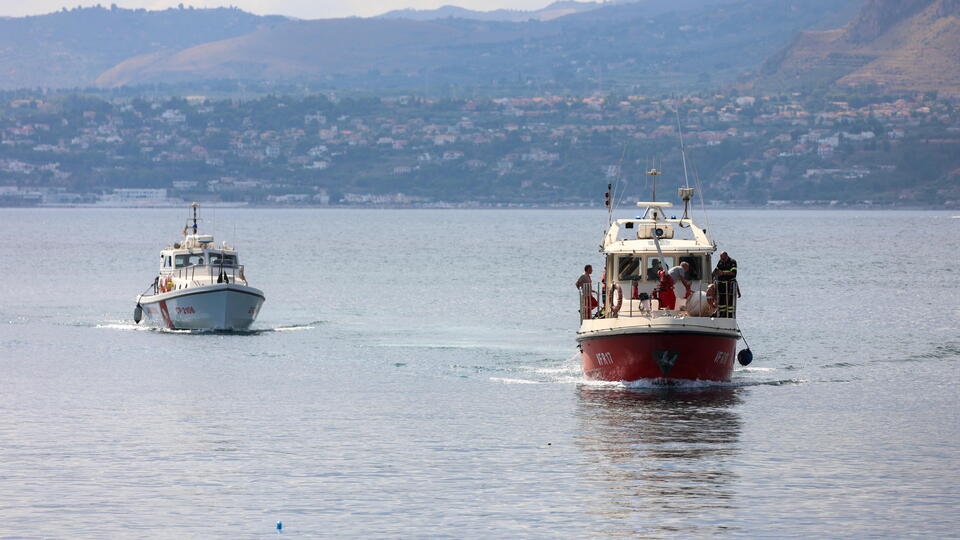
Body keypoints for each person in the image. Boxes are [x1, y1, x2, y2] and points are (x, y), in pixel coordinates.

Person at [712, 251, 738, 318]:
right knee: (721, 301)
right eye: (721, 258)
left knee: (730, 301)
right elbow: (716, 270)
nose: (722, 260)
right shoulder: (720, 261)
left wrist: (723, 273)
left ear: (726, 256)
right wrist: (711, 276)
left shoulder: (732, 262)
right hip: (721, 284)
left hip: (729, 284)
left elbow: (733, 273)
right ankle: (721, 315)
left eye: (723, 258)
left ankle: (729, 315)